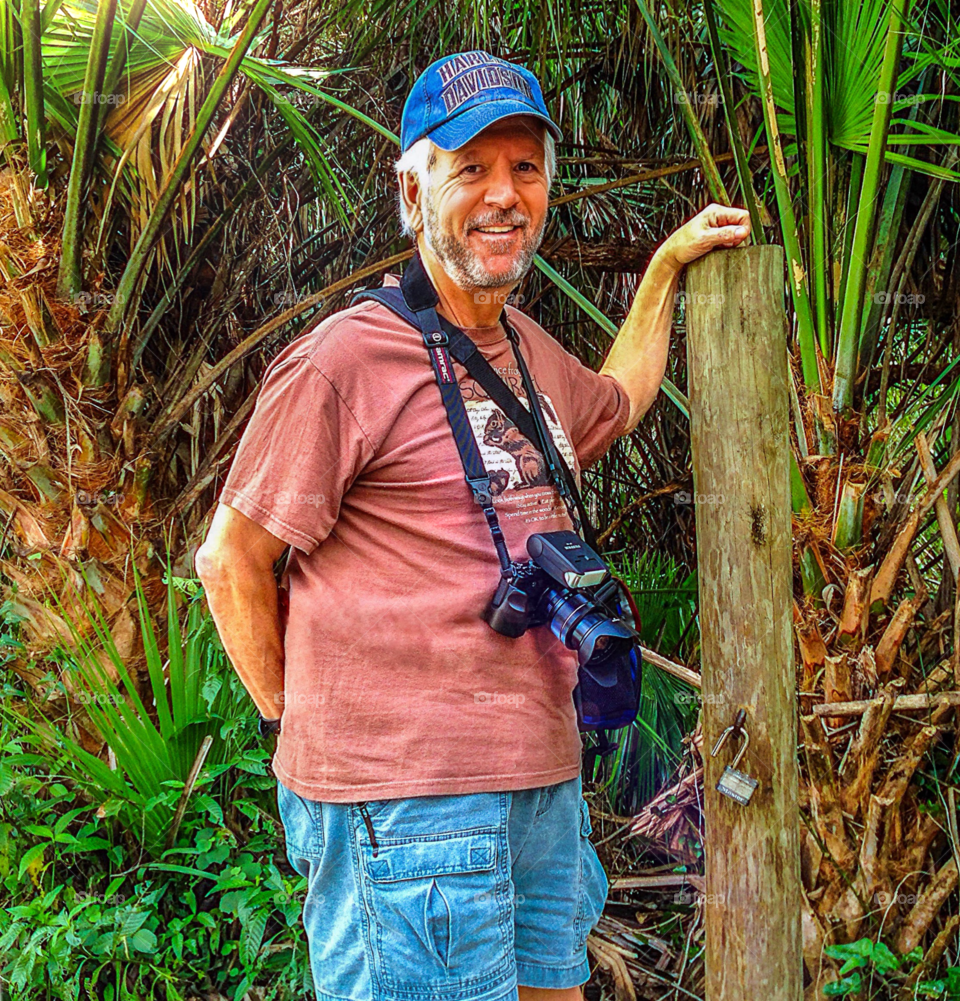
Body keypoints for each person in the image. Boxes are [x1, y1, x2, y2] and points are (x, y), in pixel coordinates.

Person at [196, 49, 750, 1001]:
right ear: (411, 189)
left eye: (524, 168)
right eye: (472, 167)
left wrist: (665, 266)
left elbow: (616, 396)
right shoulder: (344, 360)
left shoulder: (524, 345)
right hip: (404, 807)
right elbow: (232, 561)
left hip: (540, 782)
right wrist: (307, 733)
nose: (504, 194)